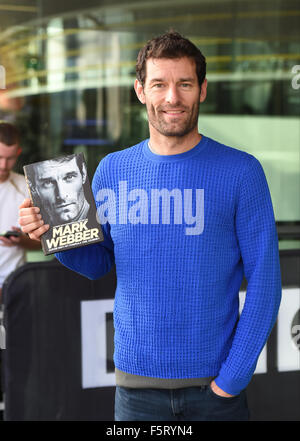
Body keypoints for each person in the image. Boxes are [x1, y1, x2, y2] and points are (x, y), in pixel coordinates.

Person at [18, 31, 282, 421]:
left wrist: (232, 380)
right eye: (159, 84)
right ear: (141, 90)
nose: (172, 97)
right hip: (135, 391)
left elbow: (265, 281)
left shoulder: (241, 172)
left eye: (185, 84)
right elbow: (98, 263)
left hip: (215, 392)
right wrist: (52, 235)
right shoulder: (112, 170)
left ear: (202, 90)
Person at [0, 121, 41, 300]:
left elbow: (45, 243)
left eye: (10, 158)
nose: (3, 165)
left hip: (15, 286)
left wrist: (22, 241)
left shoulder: (26, 186)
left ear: (18, 153)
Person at [25, 154, 90, 226]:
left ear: (83, 174)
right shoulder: (40, 228)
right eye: (48, 182)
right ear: (33, 187)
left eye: (69, 177)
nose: (62, 196)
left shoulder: (102, 216)